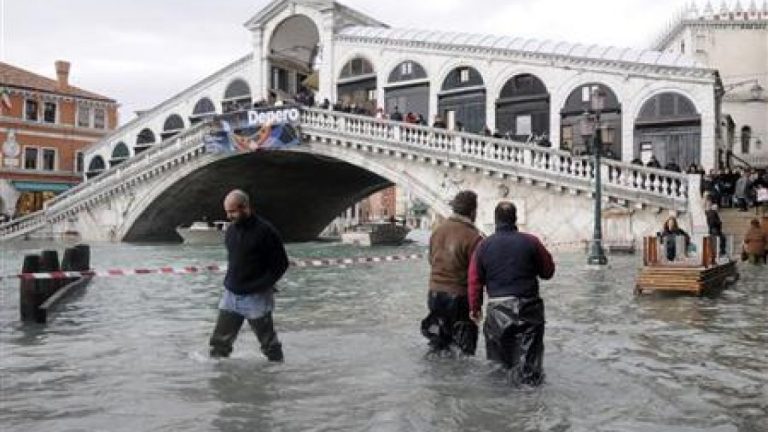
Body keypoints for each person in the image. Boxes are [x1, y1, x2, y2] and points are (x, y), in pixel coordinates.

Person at [468, 201, 555, 386]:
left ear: (495, 220)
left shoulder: (483, 246)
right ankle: (531, 409)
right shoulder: (531, 241)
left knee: (498, 370)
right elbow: (548, 271)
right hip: (529, 308)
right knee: (530, 370)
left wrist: (475, 308)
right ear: (515, 219)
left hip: (498, 309)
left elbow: (474, 281)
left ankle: (502, 410)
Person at [209, 189, 288, 361]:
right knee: (219, 344)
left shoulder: (266, 231)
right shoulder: (230, 231)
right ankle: (218, 381)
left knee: (269, 346)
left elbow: (281, 264)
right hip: (230, 296)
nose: (229, 216)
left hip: (256, 298)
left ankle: (277, 378)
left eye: (232, 212)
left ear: (245, 208)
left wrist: (263, 285)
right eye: (227, 212)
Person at [421, 190, 483, 355]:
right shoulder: (473, 237)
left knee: (438, 345)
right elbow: (476, 275)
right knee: (464, 351)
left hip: (434, 294)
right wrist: (476, 307)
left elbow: (431, 260)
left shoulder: (437, 231)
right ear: (473, 211)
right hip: (459, 298)